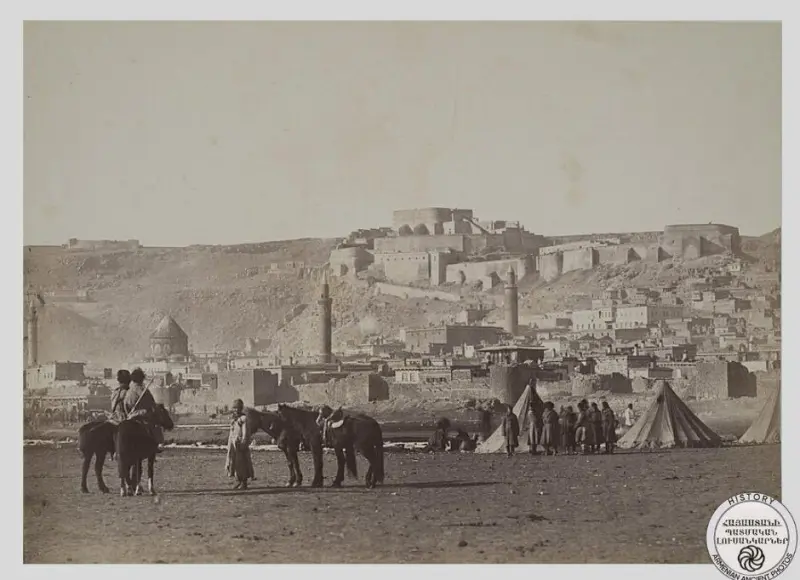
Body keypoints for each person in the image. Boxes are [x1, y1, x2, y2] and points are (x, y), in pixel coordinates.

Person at [123, 367, 164, 452]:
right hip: (141, 415)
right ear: (141, 379)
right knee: (156, 425)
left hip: (130, 415)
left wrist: (129, 414)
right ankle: (158, 444)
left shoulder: (129, 391)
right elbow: (151, 404)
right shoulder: (142, 390)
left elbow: (125, 405)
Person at [225, 399, 255, 490]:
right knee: (234, 463)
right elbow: (231, 432)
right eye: (234, 408)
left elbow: (246, 433)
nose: (236, 410)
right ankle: (238, 479)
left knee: (242, 463)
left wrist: (243, 443)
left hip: (240, 445)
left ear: (241, 408)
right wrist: (230, 444)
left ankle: (244, 482)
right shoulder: (234, 419)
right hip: (233, 445)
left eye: (237, 408)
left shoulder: (243, 419)